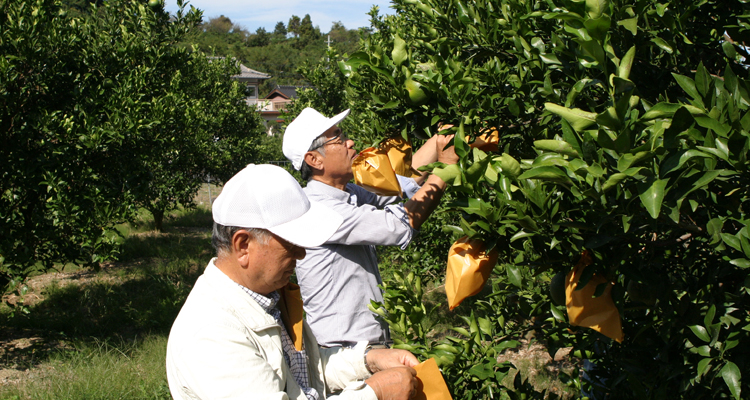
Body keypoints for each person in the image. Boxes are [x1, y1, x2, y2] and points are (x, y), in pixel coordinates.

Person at [166, 164, 420, 400]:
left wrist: (368, 360)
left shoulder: (269, 298)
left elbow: (307, 372)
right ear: (243, 246)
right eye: (291, 243)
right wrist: (374, 393)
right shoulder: (212, 335)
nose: (301, 254)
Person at [282, 108, 459, 347]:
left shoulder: (346, 194)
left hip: (363, 342)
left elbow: (398, 183)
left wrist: (441, 140)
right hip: (343, 348)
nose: (350, 142)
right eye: (339, 138)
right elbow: (398, 224)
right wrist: (446, 169)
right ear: (314, 159)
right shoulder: (319, 209)